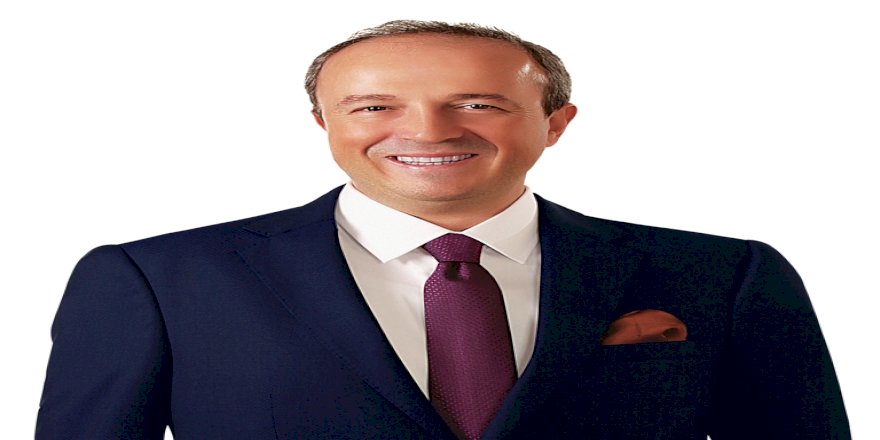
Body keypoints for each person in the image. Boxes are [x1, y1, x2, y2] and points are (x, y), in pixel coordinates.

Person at [36, 20, 849, 439]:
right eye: (374, 106)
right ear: (323, 122)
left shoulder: (722, 275)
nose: (427, 130)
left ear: (556, 122)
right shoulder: (157, 281)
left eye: (478, 103)